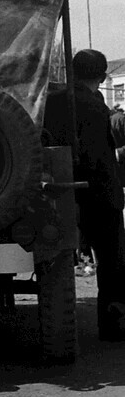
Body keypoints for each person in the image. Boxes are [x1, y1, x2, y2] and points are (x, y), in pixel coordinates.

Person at [44, 48, 125, 341]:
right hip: (98, 193)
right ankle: (114, 323)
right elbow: (103, 154)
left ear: (71, 72)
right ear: (102, 77)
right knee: (113, 262)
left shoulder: (50, 102)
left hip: (54, 190)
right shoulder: (95, 106)